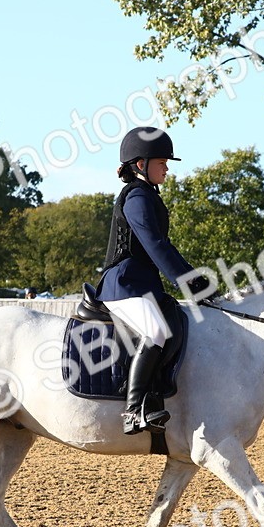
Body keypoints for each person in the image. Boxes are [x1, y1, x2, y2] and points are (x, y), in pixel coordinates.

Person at [95, 126, 213, 435]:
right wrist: (190, 281)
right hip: (123, 285)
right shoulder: (136, 197)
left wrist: (193, 280)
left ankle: (156, 395)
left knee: (174, 321)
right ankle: (133, 410)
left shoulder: (148, 195)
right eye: (161, 162)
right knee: (156, 331)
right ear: (140, 165)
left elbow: (163, 248)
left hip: (143, 286)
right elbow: (156, 245)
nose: (167, 168)